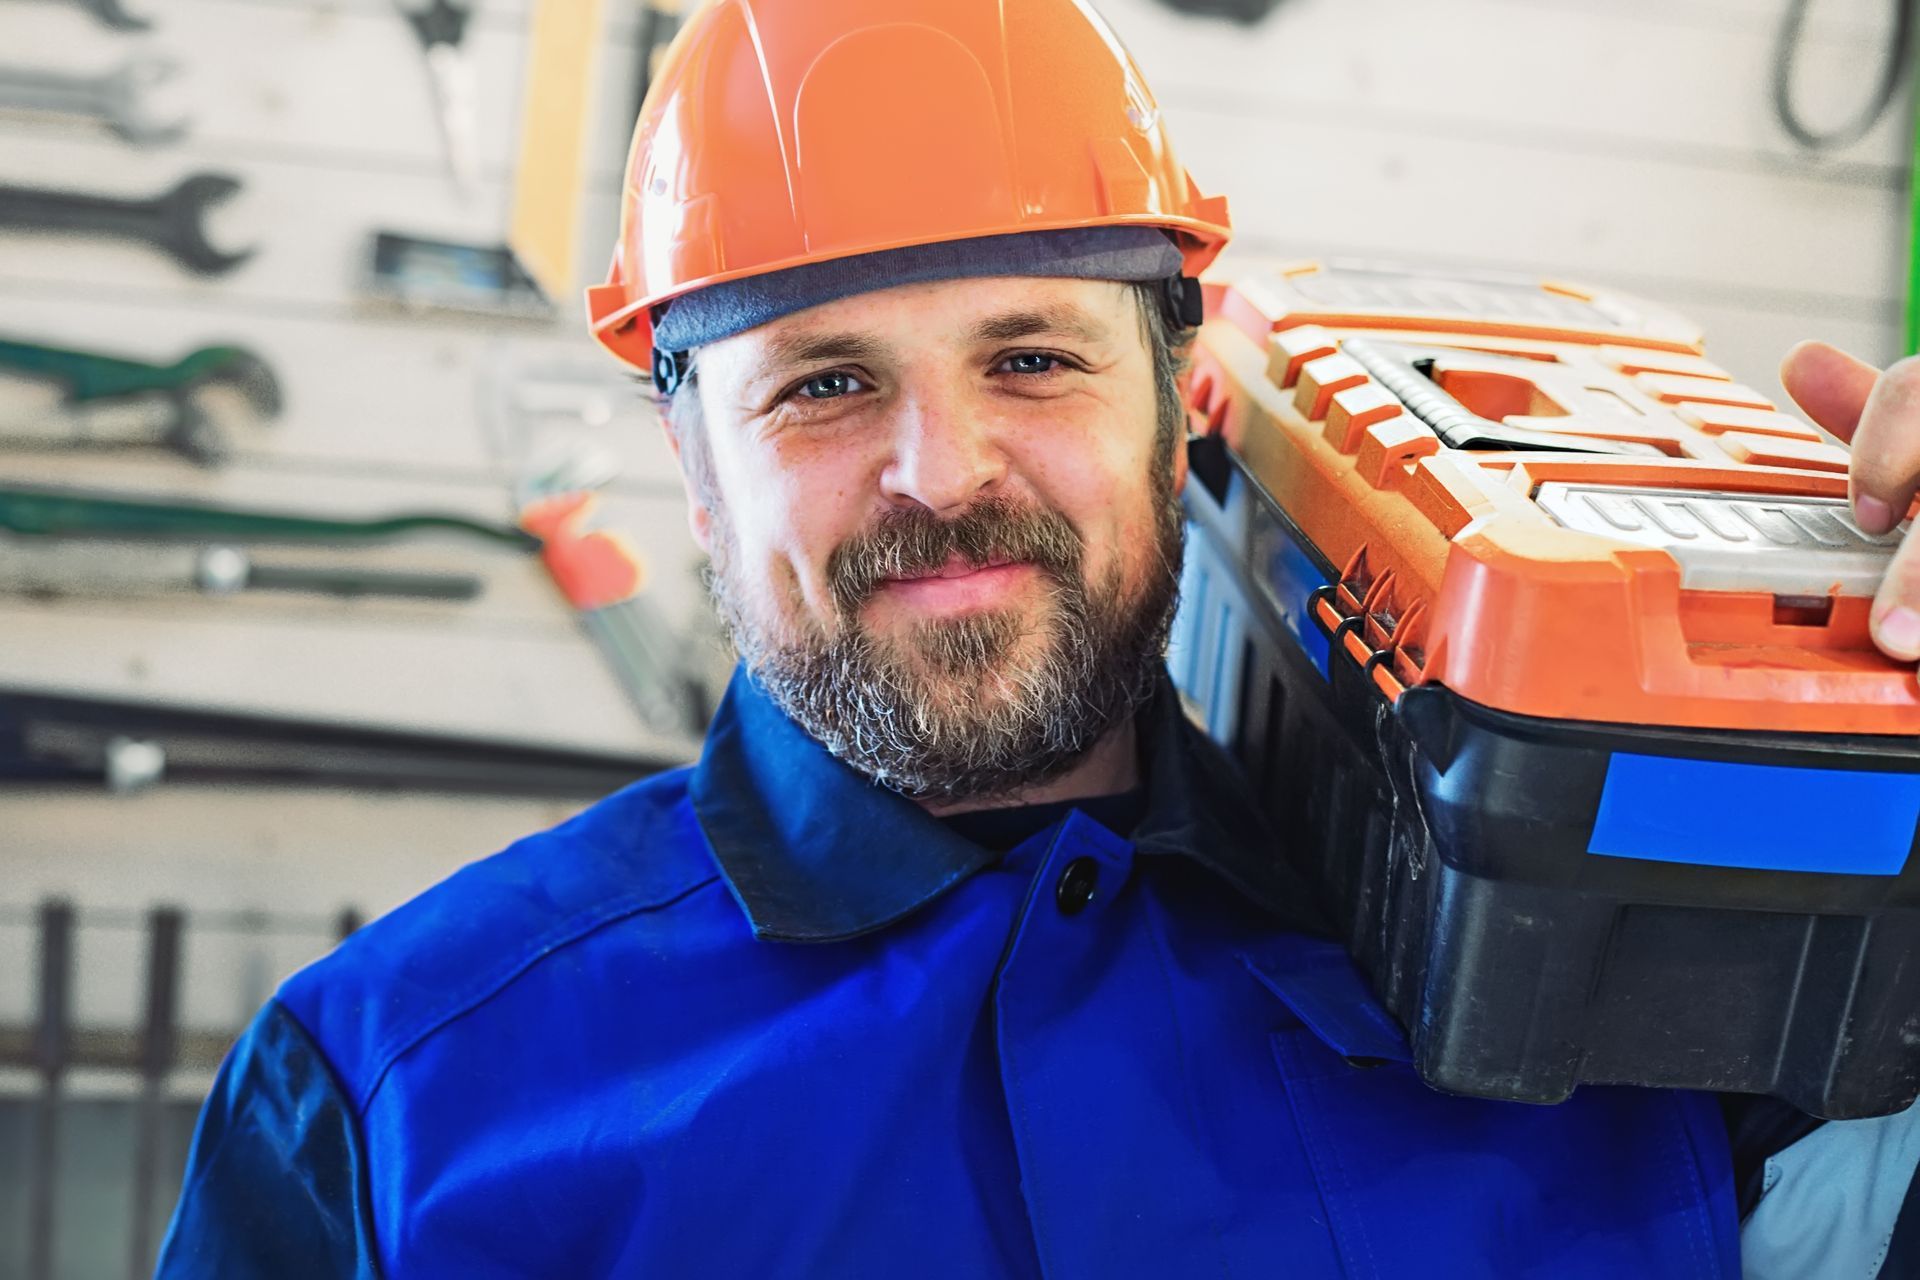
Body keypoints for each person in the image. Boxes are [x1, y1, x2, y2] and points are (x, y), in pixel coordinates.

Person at [154, 1, 1918, 1275]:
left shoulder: (1626, 957)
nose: (944, 471)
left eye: (1032, 356)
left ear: (1186, 400)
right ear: (695, 478)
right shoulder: (393, 1103)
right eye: (826, 385)